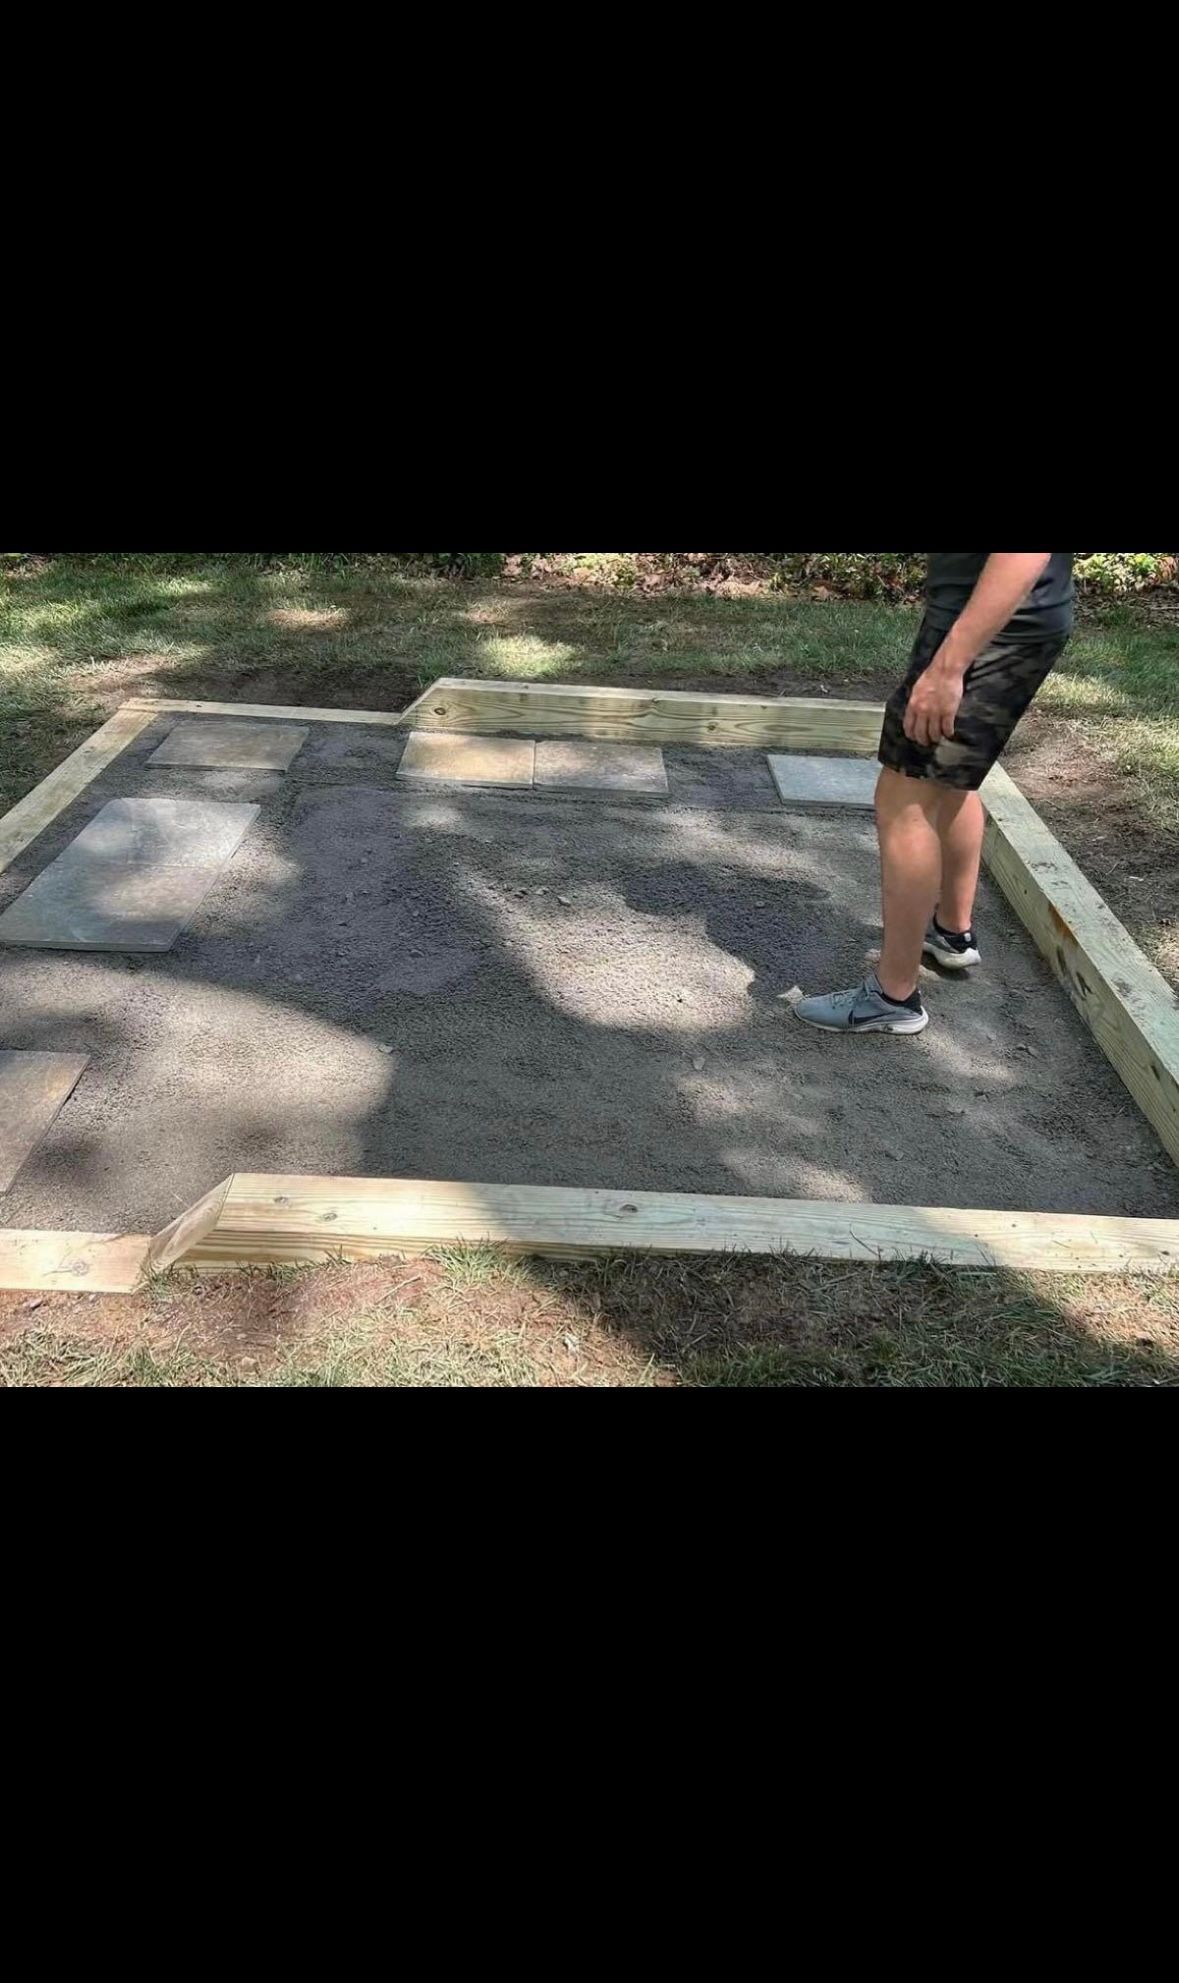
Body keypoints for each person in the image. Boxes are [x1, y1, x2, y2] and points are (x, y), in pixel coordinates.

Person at [793, 552, 1074, 1036]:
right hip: (1000, 621)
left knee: (904, 798)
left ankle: (892, 996)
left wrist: (948, 668)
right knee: (950, 780)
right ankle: (951, 932)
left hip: (989, 630)